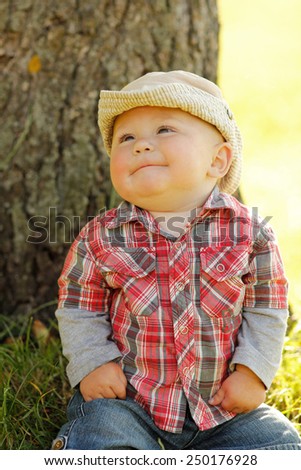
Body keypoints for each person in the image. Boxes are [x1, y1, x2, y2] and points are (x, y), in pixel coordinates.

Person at [51, 71, 301, 450]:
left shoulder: (251, 234)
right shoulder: (100, 237)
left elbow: (267, 306)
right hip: (131, 401)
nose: (141, 146)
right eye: (126, 138)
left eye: (165, 130)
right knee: (100, 431)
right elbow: (78, 307)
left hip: (223, 407)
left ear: (218, 161)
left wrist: (253, 371)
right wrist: (93, 362)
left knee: (277, 444)